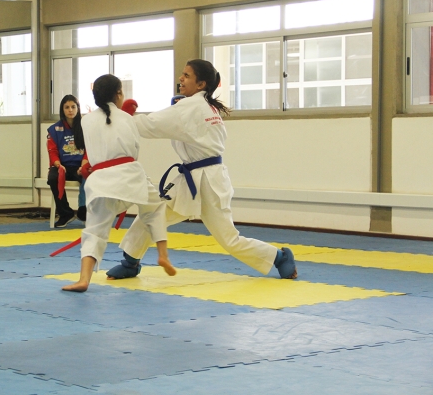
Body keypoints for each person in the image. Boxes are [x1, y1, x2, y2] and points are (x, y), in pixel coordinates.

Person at [106, 59, 297, 280]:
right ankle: (130, 263)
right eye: (182, 74)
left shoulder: (191, 106)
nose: (181, 78)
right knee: (153, 214)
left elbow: (150, 125)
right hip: (194, 178)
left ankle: (280, 257)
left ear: (201, 84)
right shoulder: (204, 105)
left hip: (207, 180)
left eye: (187, 75)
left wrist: (122, 116)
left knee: (228, 238)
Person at [62, 74, 175, 293]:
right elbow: (134, 150)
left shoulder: (85, 120)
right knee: (155, 209)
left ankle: (84, 279)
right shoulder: (128, 119)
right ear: (119, 94)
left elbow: (90, 151)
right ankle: (163, 255)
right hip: (130, 174)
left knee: (94, 230)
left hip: (101, 180)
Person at [47, 95, 87, 227]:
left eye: (73, 107)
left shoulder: (86, 127)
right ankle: (66, 213)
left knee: (91, 178)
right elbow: (52, 151)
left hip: (80, 165)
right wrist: (58, 165)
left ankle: (84, 211)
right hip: (62, 166)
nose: (70, 110)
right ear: (62, 110)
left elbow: (90, 149)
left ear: (78, 108)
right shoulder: (54, 129)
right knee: (53, 178)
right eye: (67, 107)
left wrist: (84, 165)